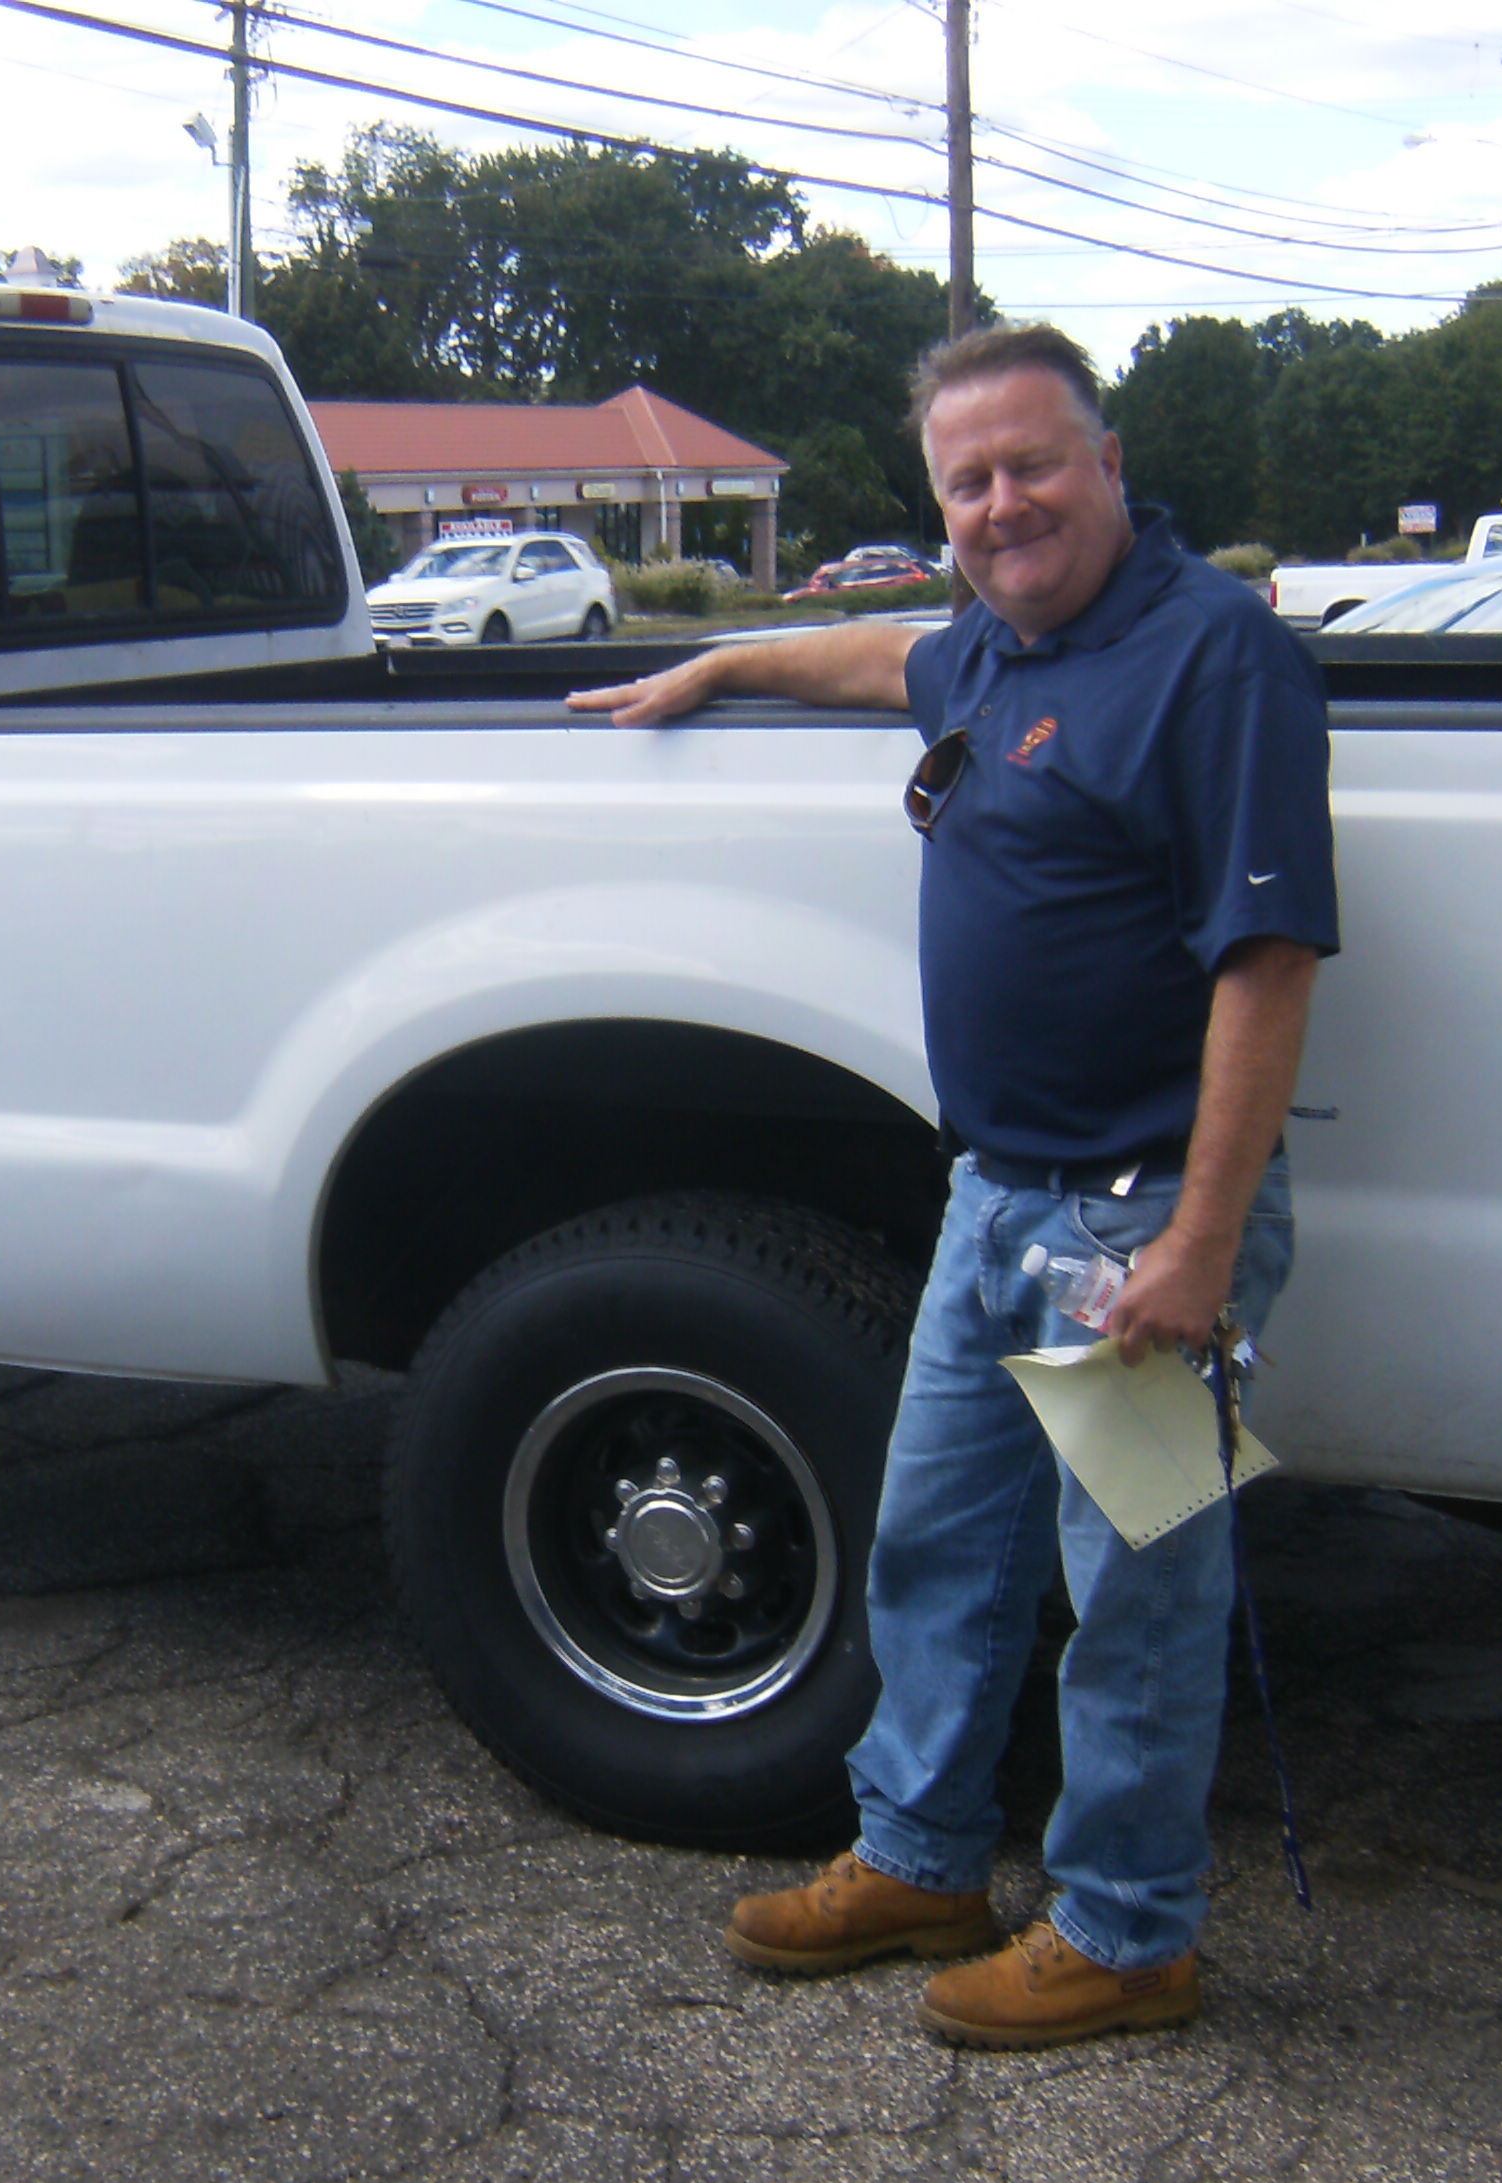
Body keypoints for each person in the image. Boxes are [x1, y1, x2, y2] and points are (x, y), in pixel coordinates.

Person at [567, 324, 1338, 2049]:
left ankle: (1131, 1934)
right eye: (966, 483)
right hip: (996, 1201)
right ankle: (917, 1857)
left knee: (1134, 1595)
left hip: (1141, 1223)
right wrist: (723, 668)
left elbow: (1266, 969)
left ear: (1109, 462)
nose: (1002, 506)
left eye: (1031, 466)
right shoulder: (995, 644)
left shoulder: (1213, 663)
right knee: (932, 1546)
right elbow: (883, 657)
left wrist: (1198, 1247)